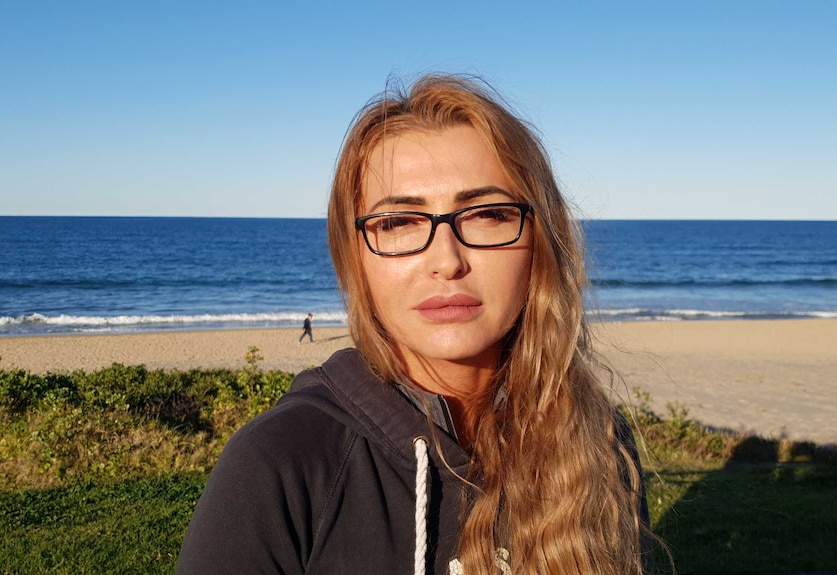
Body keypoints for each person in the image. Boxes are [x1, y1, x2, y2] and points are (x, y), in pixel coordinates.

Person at [177, 74, 653, 574]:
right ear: (354, 257)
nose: (446, 261)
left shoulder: (595, 443)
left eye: (486, 213)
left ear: (541, 240)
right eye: (398, 222)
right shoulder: (281, 463)